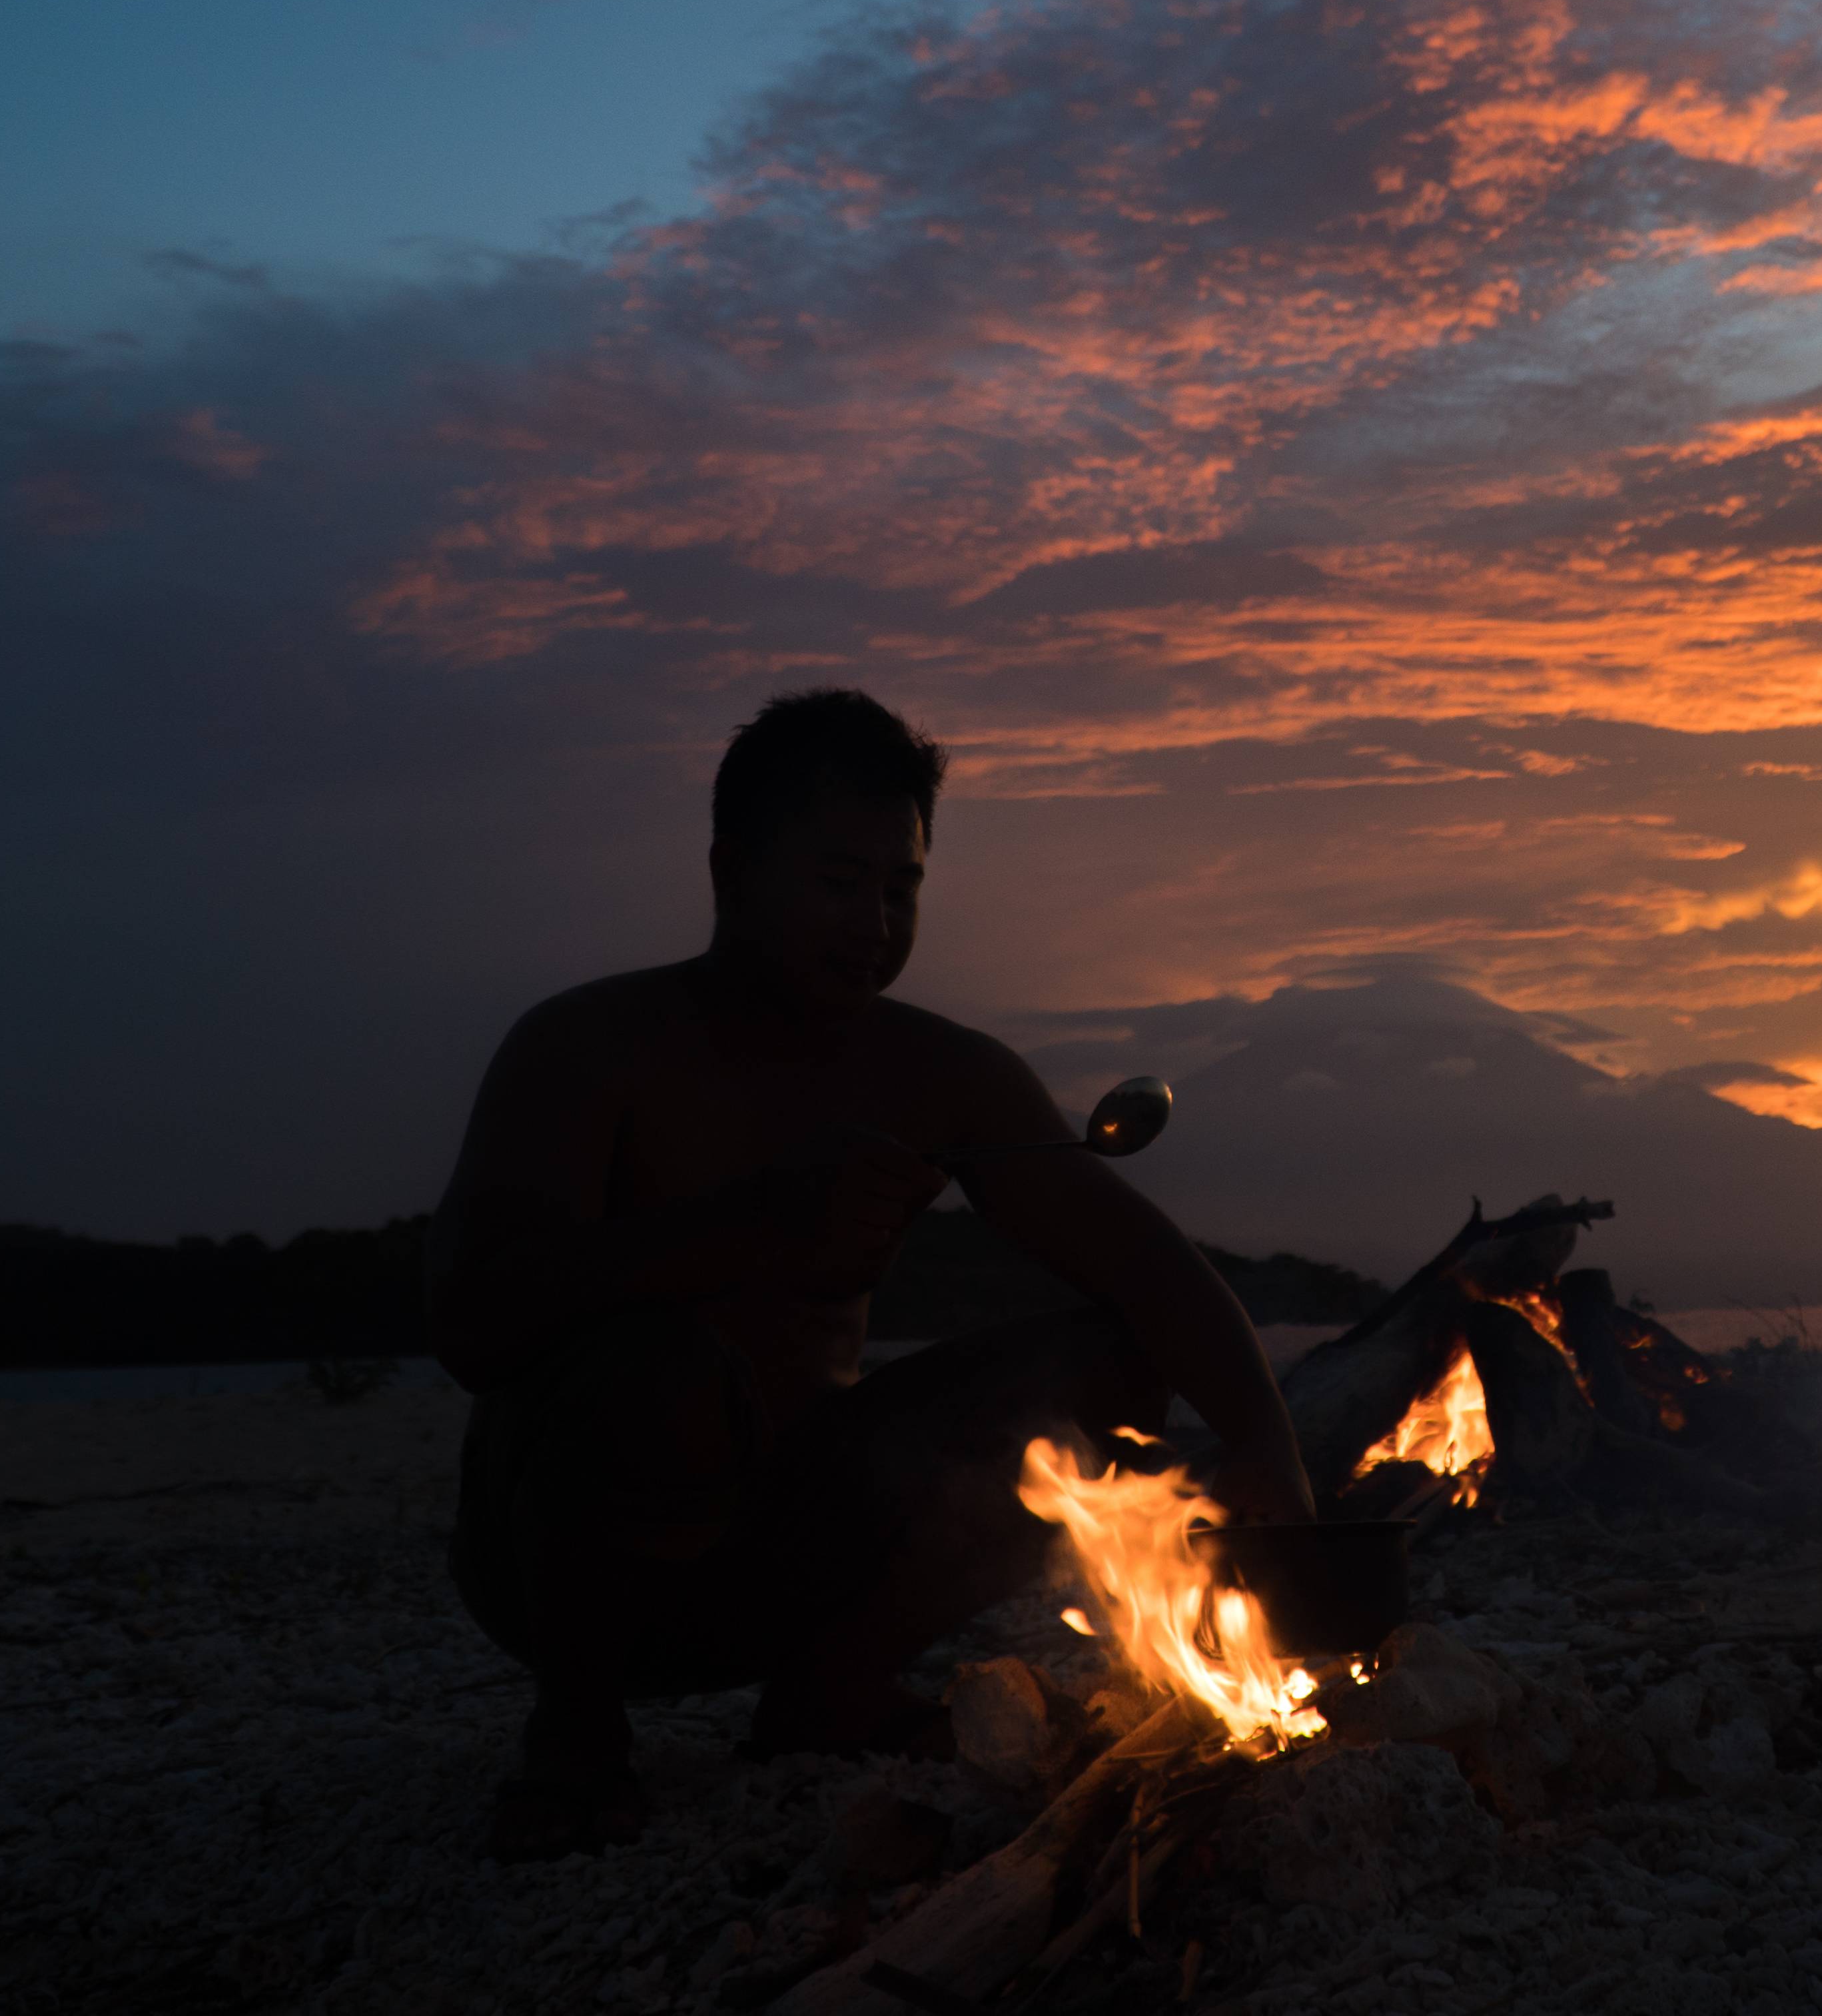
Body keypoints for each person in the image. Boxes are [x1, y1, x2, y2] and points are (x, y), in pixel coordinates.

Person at [426, 689, 1313, 1861]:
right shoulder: (591, 1047)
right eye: (839, 884)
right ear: (732, 873)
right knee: (659, 1368)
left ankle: (829, 1693)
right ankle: (576, 1735)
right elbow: (473, 1318)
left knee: (1106, 1361)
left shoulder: (939, 1077)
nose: (876, 924)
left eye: (902, 889)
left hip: (792, 1549)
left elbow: (1142, 1262)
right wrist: (751, 1225)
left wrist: (1264, 1445)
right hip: (563, 1566)